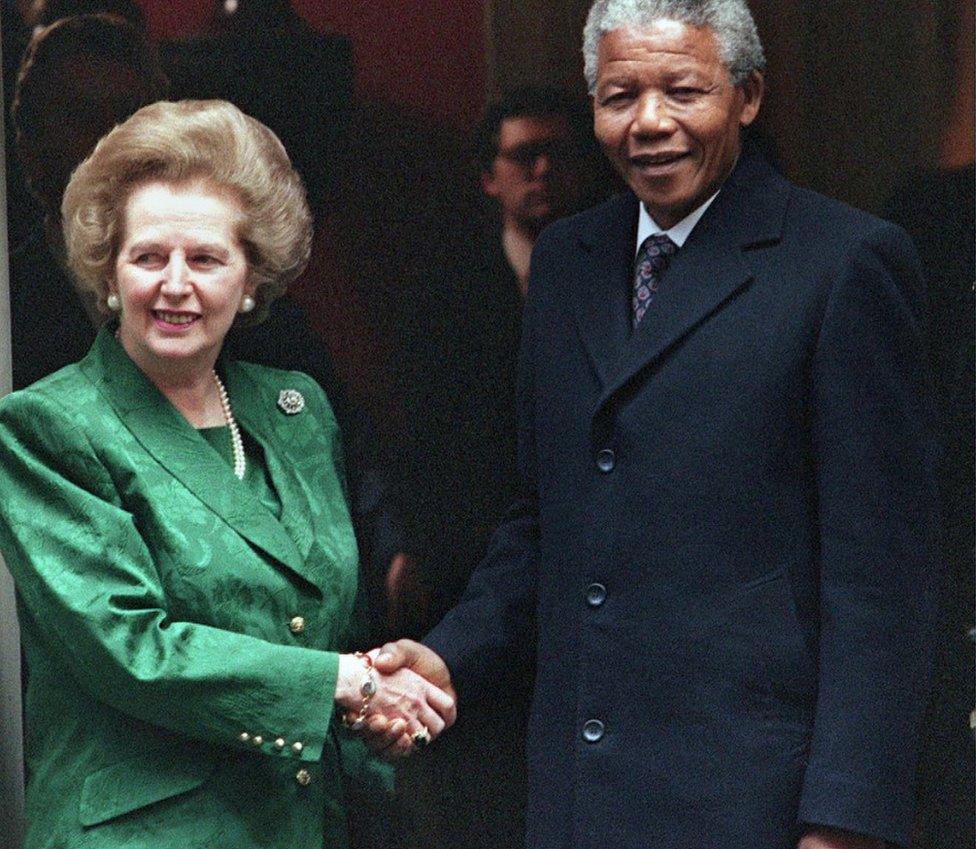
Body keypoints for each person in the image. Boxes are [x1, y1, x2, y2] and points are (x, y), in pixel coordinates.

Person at [373, 2, 941, 848]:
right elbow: (546, 519)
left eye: (683, 91)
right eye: (618, 96)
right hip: (580, 785)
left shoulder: (842, 262)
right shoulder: (569, 260)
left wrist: (847, 816)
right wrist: (448, 652)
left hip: (754, 794)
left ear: (747, 97)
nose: (649, 124)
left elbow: (881, 579)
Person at [0, 98, 455, 849]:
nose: (175, 283)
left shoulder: (295, 408)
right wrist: (350, 684)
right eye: (148, 257)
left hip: (306, 825)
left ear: (251, 280)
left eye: (206, 258)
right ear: (110, 274)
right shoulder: (51, 426)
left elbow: (333, 626)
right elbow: (132, 648)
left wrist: (378, 721)